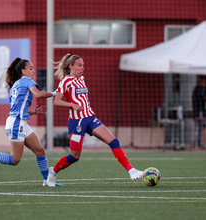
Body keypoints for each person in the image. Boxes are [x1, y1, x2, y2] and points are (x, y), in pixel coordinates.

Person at [46, 53, 144, 187]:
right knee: (74, 157)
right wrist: (72, 105)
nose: (82, 68)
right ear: (71, 66)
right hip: (77, 122)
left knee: (114, 141)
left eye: (83, 66)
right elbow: (57, 101)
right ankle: (53, 172)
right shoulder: (65, 82)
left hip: (90, 118)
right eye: (80, 65)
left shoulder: (81, 79)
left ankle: (132, 170)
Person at [0, 57, 62, 186]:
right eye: (30, 68)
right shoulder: (27, 80)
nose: (33, 70)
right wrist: (55, 93)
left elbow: (18, 109)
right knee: (15, 160)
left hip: (20, 122)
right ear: (23, 71)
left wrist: (33, 112)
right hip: (17, 124)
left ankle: (47, 181)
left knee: (40, 151)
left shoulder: (16, 85)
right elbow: (38, 94)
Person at [192, 76, 206, 148]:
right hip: (200, 111)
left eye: (205, 82)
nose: (204, 84)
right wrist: (195, 114)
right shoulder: (197, 90)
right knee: (199, 127)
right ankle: (197, 143)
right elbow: (196, 102)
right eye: (203, 82)